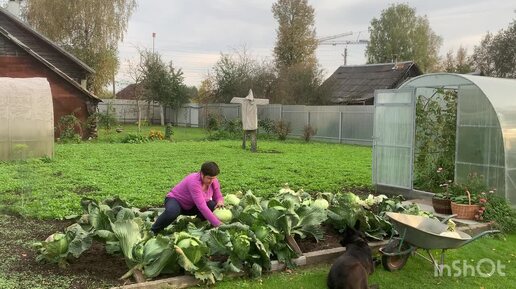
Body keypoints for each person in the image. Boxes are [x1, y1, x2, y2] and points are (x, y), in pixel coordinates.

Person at [151, 161, 224, 234]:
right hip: (176, 201)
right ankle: (154, 231)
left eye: (213, 178)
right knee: (172, 212)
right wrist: (217, 224)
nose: (211, 181)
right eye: (209, 178)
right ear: (202, 174)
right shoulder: (194, 182)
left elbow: (217, 195)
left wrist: (220, 201)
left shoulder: (214, 181)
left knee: (212, 205)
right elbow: (202, 206)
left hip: (191, 206)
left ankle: (196, 226)